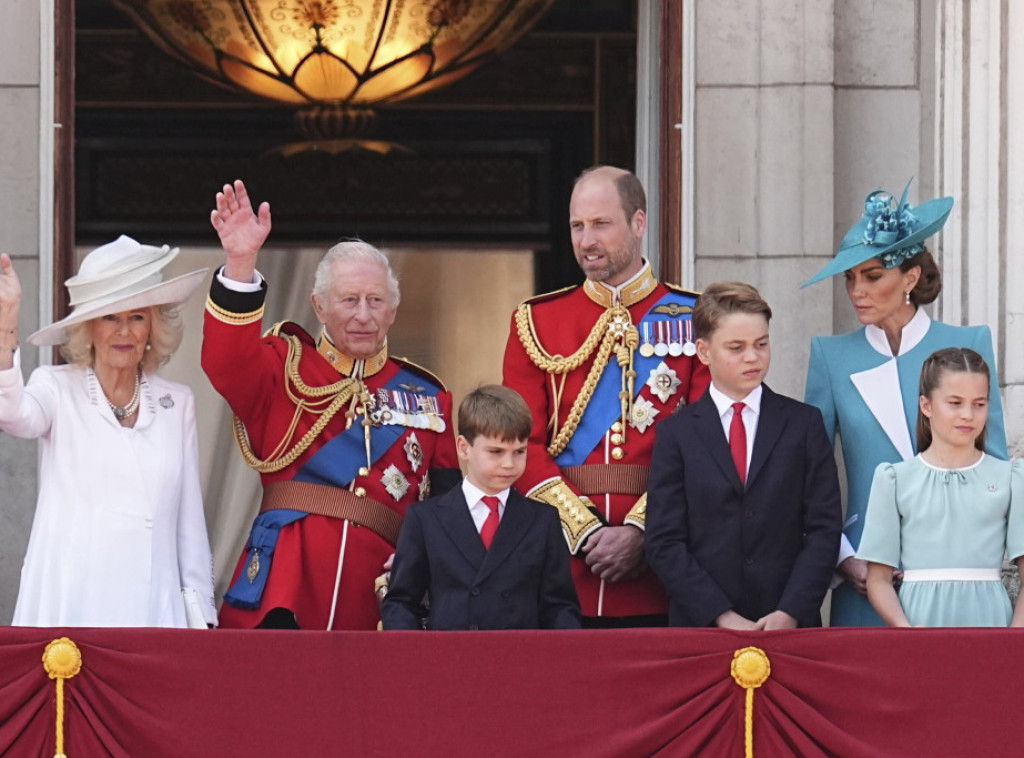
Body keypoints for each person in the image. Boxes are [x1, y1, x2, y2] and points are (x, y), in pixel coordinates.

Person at [204, 179, 461, 630]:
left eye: (376, 301)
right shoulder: (283, 367)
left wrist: (422, 565)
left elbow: (448, 508)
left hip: (381, 605)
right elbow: (225, 362)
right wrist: (241, 263)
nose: (364, 315)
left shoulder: (428, 398)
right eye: (349, 300)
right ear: (319, 307)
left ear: (393, 311)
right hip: (284, 596)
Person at [502, 165, 710, 627]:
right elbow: (518, 446)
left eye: (600, 224)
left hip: (664, 568)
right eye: (577, 226)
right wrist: (584, 530)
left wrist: (641, 529)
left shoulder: (698, 318)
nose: (586, 240)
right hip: (562, 569)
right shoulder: (535, 322)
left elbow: (704, 445)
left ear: (638, 224)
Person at [803, 180, 1007, 626]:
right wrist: (844, 556)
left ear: (909, 278)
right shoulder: (830, 357)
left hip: (958, 576)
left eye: (872, 276)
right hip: (865, 573)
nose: (857, 290)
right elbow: (811, 477)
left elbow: (994, 462)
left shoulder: (967, 344)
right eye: (850, 277)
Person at [0, 236, 216, 628]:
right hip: (71, 608)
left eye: (137, 317)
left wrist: (202, 621)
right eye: (110, 317)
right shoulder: (56, 387)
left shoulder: (176, 403)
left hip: (153, 613)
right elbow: (12, 414)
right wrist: (5, 325)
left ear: (153, 327)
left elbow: (190, 527)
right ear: (88, 329)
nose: (125, 331)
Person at [645, 282, 842, 629]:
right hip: (701, 629)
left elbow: (824, 530)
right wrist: (720, 615)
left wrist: (791, 612)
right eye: (736, 347)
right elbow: (664, 541)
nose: (753, 357)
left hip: (790, 627)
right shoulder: (676, 434)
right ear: (704, 352)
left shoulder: (804, 424)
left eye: (761, 344)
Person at [381, 385, 581, 630]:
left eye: (519, 451)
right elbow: (402, 601)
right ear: (464, 448)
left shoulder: (543, 519)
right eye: (496, 452)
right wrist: (416, 661)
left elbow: (559, 607)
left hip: (522, 662)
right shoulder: (426, 519)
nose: (509, 464)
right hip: (450, 661)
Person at [858, 348, 1024, 627]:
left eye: (979, 404)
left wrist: (1014, 639)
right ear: (926, 405)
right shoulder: (895, 479)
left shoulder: (1011, 477)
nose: (968, 415)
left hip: (991, 627)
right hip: (918, 626)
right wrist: (905, 630)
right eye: (955, 403)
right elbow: (878, 579)